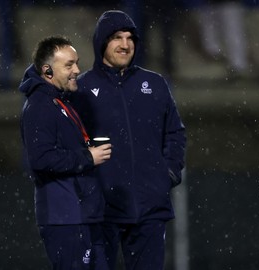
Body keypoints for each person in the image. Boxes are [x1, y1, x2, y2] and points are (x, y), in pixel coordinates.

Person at [72, 10, 186, 270]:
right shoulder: (81, 89)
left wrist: (166, 175)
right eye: (116, 38)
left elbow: (175, 133)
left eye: (130, 38)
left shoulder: (154, 84)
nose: (125, 44)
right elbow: (69, 143)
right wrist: (88, 189)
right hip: (101, 212)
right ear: (102, 42)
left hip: (149, 210)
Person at [19, 36, 112, 269]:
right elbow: (41, 159)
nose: (77, 70)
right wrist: (88, 157)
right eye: (69, 65)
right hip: (66, 216)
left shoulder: (60, 102)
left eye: (76, 63)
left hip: (81, 214)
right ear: (47, 70)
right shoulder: (40, 105)